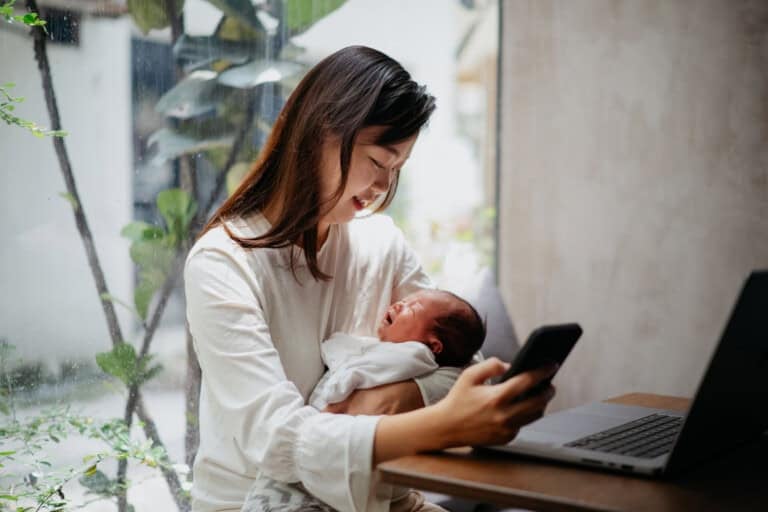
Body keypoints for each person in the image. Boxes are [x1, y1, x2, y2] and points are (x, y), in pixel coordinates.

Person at [184, 45, 557, 512]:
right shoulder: (223, 262)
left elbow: (464, 365)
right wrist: (441, 422)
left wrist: (395, 398)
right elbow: (277, 441)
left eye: (395, 170)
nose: (382, 187)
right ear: (318, 132)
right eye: (379, 162)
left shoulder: (379, 241)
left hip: (382, 502)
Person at [310, 288, 487, 411]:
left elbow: (348, 378)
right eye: (405, 300)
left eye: (413, 308)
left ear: (433, 346)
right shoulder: (392, 351)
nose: (398, 304)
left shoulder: (414, 356)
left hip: (325, 412)